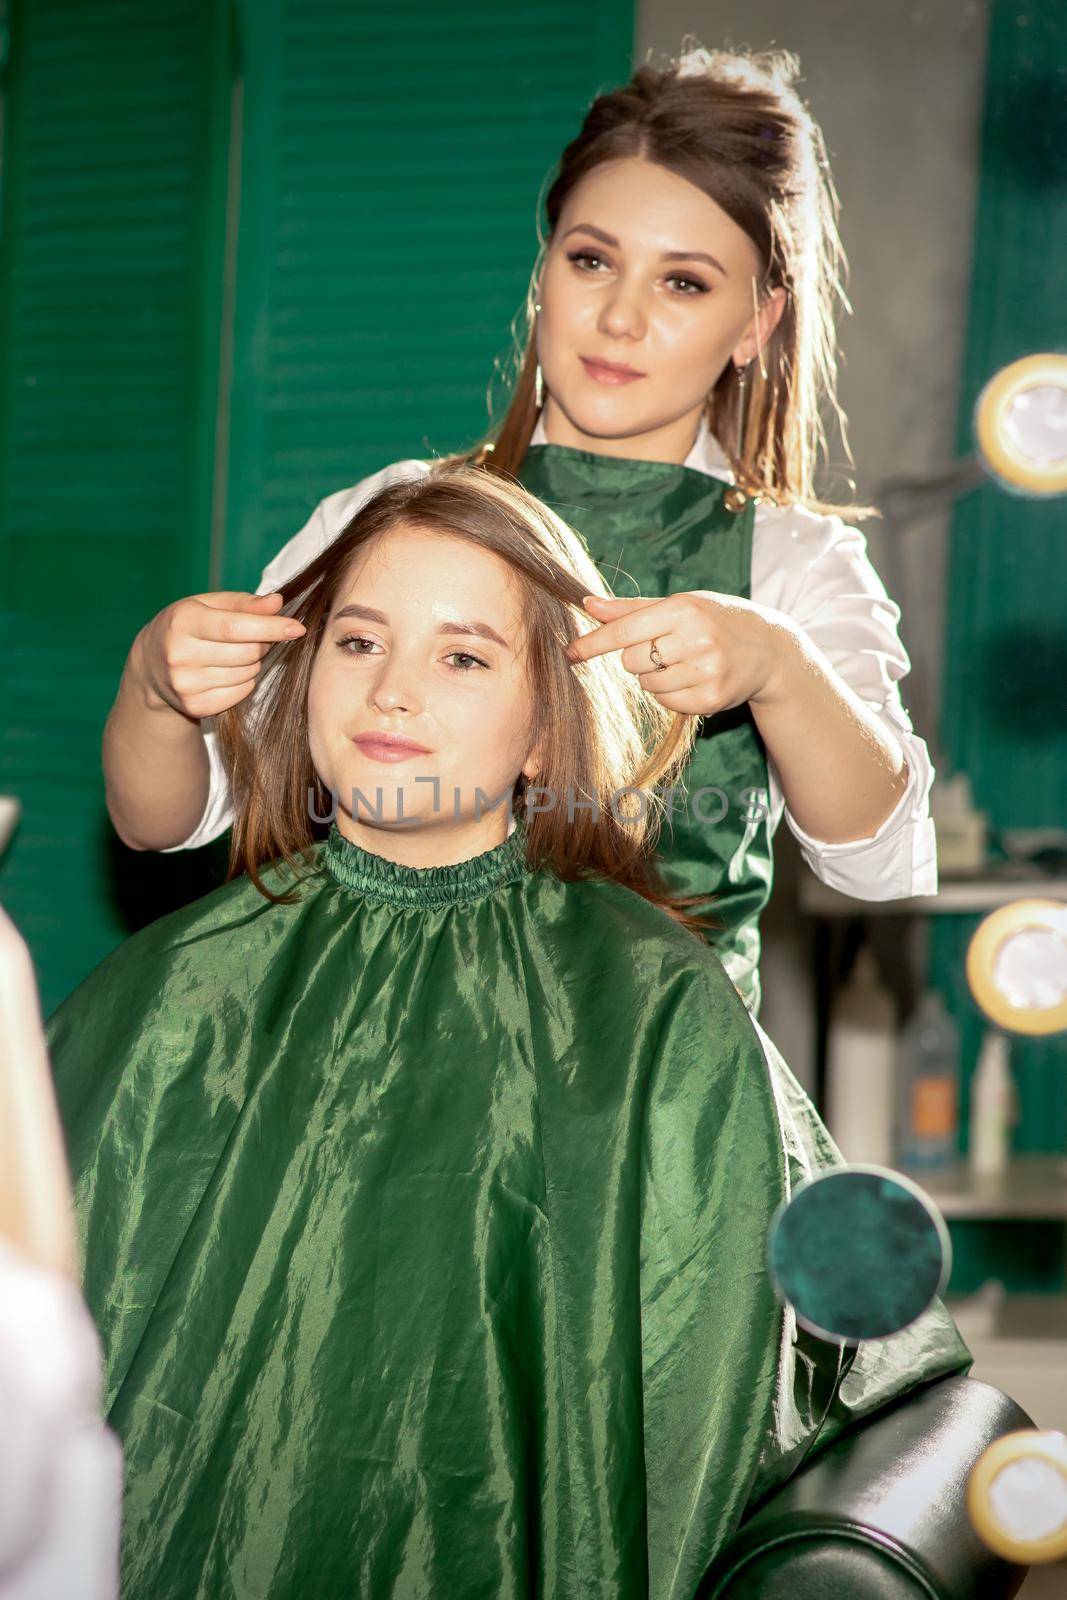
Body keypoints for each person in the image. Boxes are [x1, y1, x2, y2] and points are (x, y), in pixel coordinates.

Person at [47, 469, 967, 1599]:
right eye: (357, 643)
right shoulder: (182, 987)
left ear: (544, 736)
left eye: (464, 657)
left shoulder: (645, 1003)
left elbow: (717, 1364)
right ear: (298, 677)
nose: (391, 692)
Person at [100, 43, 935, 1016]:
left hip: (659, 1109)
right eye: (590, 260)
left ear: (756, 324)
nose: (619, 317)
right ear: (543, 269)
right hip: (381, 1061)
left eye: (682, 284)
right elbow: (175, 816)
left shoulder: (790, 562)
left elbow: (879, 862)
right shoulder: (392, 514)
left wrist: (779, 670)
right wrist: (154, 688)